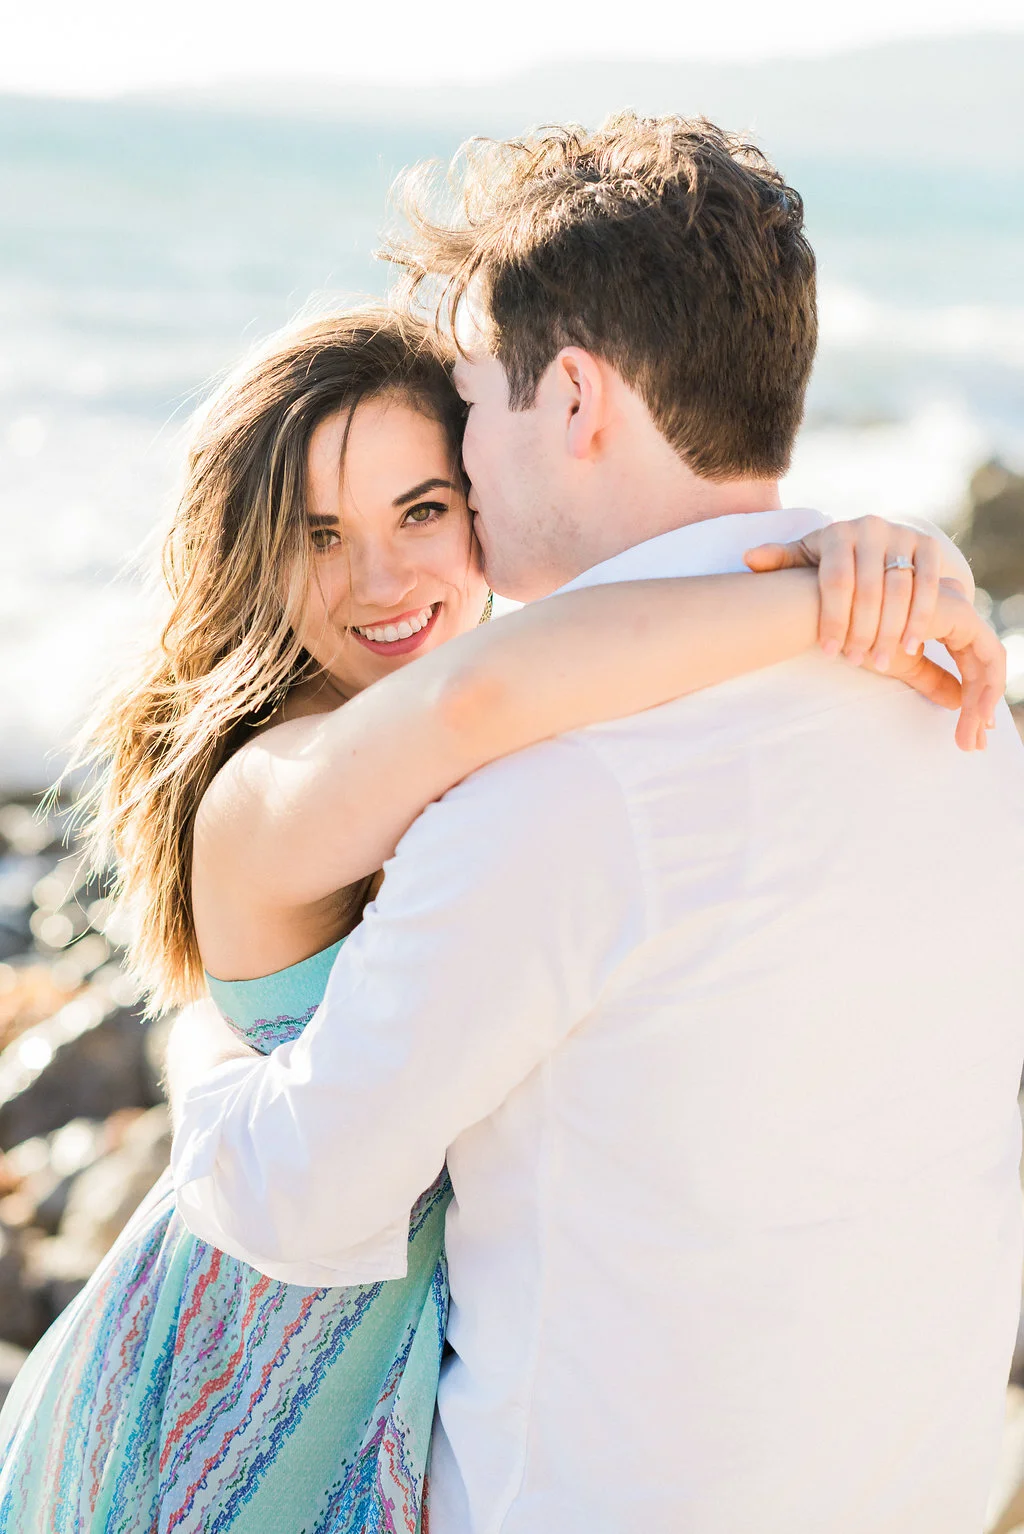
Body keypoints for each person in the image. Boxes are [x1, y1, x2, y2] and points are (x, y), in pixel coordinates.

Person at [165, 118, 1024, 1534]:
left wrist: (188, 1039)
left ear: (572, 398)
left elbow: (298, 1202)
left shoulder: (557, 790)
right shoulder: (971, 726)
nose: (469, 466)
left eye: (473, 411)